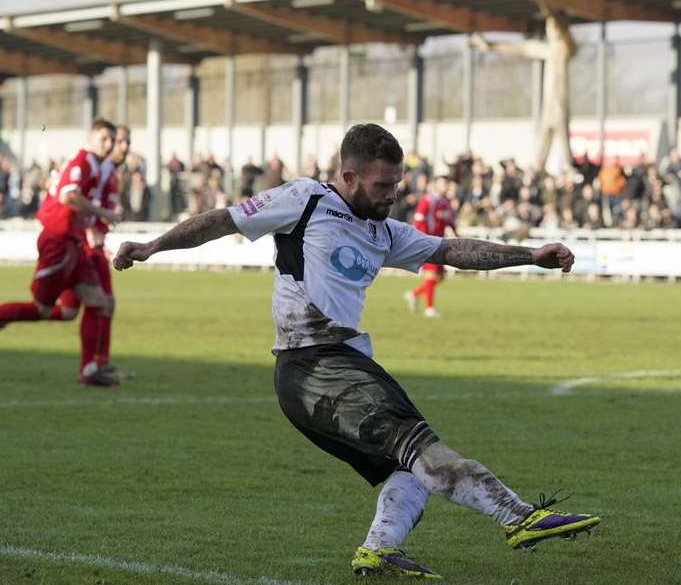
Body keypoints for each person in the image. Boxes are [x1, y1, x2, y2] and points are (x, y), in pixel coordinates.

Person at [113, 123, 600, 579]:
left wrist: (530, 256)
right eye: (382, 185)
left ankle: (380, 551)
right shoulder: (306, 200)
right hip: (316, 365)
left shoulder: (383, 232)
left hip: (336, 368)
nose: (392, 194)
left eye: (396, 184)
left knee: (405, 470)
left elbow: (450, 251)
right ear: (349, 176)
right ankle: (518, 517)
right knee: (420, 448)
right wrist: (152, 246)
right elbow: (223, 220)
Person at [0, 119, 120, 385]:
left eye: (112, 139)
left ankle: (89, 370)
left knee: (94, 304)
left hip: (73, 243)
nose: (109, 144)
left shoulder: (98, 167)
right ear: (91, 138)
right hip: (57, 241)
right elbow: (68, 197)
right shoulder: (82, 162)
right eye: (104, 138)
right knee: (43, 309)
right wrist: (103, 213)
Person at [57, 125, 132, 386]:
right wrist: (91, 226)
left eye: (125, 142)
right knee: (89, 305)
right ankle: (93, 366)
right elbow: (63, 188)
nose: (121, 147)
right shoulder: (92, 166)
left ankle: (98, 364)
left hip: (93, 243)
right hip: (82, 244)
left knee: (96, 305)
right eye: (116, 141)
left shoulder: (110, 171)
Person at [404, 175, 457, 318]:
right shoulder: (427, 201)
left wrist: (456, 233)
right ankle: (429, 309)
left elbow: (449, 220)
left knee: (439, 277)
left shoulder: (445, 203)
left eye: (447, 184)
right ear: (436, 185)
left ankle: (414, 294)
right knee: (432, 275)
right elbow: (419, 221)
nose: (445, 187)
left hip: (440, 242)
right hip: (428, 242)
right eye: (442, 184)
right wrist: (422, 240)